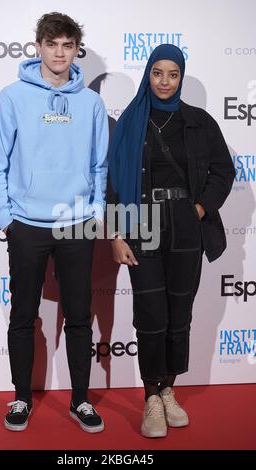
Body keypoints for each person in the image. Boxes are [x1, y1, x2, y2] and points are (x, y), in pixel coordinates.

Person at [0, 12, 108, 433]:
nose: (59, 52)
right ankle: (21, 397)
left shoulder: (90, 102)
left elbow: (99, 165)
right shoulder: (13, 97)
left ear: (77, 50)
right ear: (38, 47)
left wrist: (93, 212)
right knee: (23, 314)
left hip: (76, 224)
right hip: (27, 224)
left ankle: (81, 401)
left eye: (67, 45)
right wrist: (7, 219)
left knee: (78, 315)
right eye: (52, 44)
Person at [108, 44, 235, 438]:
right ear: (148, 74)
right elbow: (112, 181)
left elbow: (223, 171)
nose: (164, 81)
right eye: (157, 73)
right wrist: (115, 233)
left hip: (184, 225)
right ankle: (150, 397)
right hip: (142, 224)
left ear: (181, 77)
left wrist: (199, 209)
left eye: (173, 74)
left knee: (179, 315)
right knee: (151, 315)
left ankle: (168, 391)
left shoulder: (199, 122)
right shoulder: (130, 121)